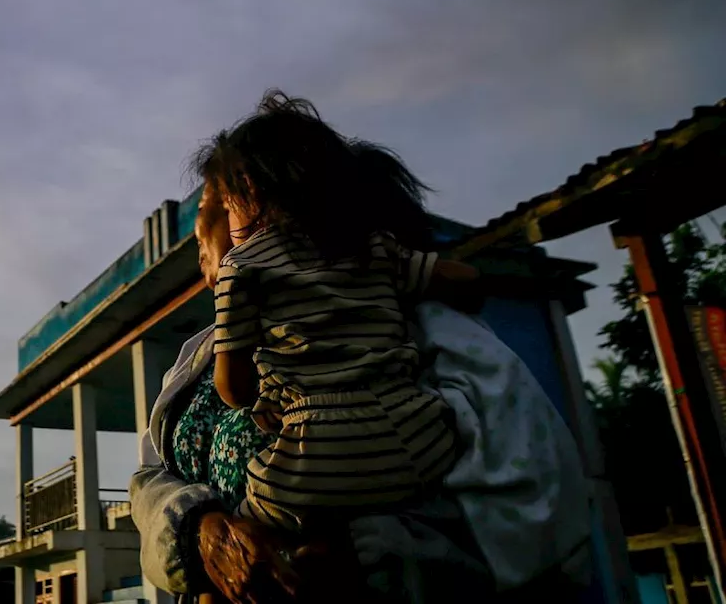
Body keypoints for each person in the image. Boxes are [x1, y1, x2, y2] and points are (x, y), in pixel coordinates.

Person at [130, 110, 593, 602]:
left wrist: (374, 556)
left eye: (215, 202)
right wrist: (200, 533)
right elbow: (149, 480)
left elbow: (536, 520)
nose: (200, 228)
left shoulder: (418, 334)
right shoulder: (198, 356)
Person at [193, 91, 479, 533]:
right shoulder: (373, 247)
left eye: (226, 205)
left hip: (318, 453)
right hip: (421, 440)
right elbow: (465, 280)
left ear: (247, 192)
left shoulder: (242, 266)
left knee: (243, 536)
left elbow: (232, 387)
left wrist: (264, 398)